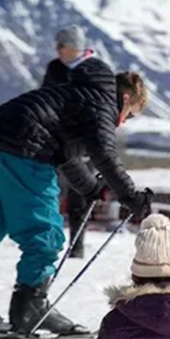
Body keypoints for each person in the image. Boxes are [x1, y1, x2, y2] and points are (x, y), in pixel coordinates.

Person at [0, 67, 153, 336]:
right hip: (25, 149)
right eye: (131, 114)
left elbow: (65, 154)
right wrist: (130, 196)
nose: (124, 121)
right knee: (45, 234)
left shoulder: (80, 96)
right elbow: (104, 153)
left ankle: (29, 308)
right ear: (125, 99)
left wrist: (91, 188)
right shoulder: (102, 103)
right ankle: (30, 310)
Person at [45, 25, 100, 259]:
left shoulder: (94, 69)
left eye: (61, 45)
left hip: (83, 142)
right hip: (56, 140)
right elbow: (44, 98)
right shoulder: (55, 68)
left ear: (74, 47)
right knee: (51, 191)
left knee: (80, 194)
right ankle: (50, 242)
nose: (57, 49)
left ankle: (77, 246)